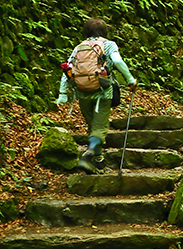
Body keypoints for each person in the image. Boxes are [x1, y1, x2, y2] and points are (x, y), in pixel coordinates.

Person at [57, 19, 138, 174]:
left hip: (82, 92)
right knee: (100, 127)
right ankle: (88, 155)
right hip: (102, 91)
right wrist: (130, 80)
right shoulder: (109, 44)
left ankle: (98, 160)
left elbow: (67, 69)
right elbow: (117, 60)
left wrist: (62, 94)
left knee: (93, 126)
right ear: (105, 31)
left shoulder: (79, 47)